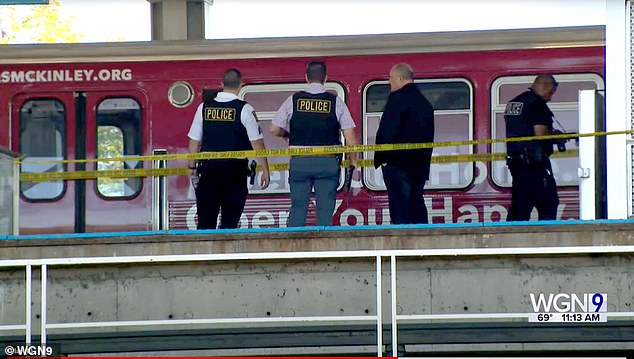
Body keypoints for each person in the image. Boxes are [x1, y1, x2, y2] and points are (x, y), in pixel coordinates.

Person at [269, 61, 358, 227]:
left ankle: (294, 248)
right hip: (327, 162)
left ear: (306, 78)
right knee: (325, 210)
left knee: (298, 207)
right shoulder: (335, 102)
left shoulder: (294, 100)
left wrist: (287, 135)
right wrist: (353, 161)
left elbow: (274, 129)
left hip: (300, 162)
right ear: (326, 78)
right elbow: (350, 136)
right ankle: (324, 247)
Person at [187, 69, 270, 229]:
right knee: (229, 223)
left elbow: (194, 142)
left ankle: (206, 253)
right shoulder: (245, 109)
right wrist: (265, 169)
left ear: (221, 84)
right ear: (241, 84)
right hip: (234, 173)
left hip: (209, 171)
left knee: (205, 223)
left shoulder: (204, 108)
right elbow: (257, 142)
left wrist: (192, 166)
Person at [374, 63, 435, 224]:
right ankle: (421, 244)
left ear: (400, 78)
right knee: (416, 205)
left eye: (391, 78)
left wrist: (383, 159)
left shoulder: (397, 99)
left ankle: (402, 246)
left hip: (398, 165)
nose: (390, 82)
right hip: (420, 166)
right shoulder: (425, 103)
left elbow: (387, 130)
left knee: (400, 211)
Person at [504, 74, 560, 221]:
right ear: (547, 86)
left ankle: (510, 241)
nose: (550, 97)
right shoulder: (537, 104)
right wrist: (556, 136)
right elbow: (540, 134)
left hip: (516, 165)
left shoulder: (514, 103)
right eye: (551, 92)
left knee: (520, 208)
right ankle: (547, 241)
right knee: (549, 204)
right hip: (535, 165)